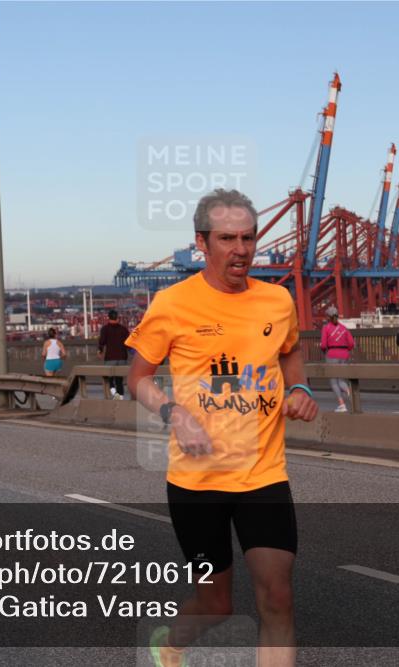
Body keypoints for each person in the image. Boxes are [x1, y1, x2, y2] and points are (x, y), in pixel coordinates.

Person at [127, 189, 318, 667]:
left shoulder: (277, 300)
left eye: (248, 238)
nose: (241, 249)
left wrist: (300, 390)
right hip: (197, 482)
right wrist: (175, 413)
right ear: (202, 243)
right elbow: (138, 379)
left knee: (277, 597)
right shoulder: (172, 304)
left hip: (263, 474)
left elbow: (292, 351)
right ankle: (170, 644)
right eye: (227, 238)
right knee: (218, 604)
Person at [319, 305, 354, 413]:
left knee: (334, 381)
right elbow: (351, 343)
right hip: (344, 355)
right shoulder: (344, 328)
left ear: (328, 317)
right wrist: (345, 350)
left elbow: (323, 345)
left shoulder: (326, 328)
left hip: (332, 354)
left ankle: (342, 404)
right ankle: (351, 395)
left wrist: (324, 350)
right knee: (341, 380)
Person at [98, 310, 130, 399]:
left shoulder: (105, 329)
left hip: (110, 358)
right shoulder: (123, 329)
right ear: (117, 317)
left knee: (109, 378)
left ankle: (114, 393)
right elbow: (129, 343)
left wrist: (100, 351)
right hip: (122, 357)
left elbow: (102, 342)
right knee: (119, 380)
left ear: (109, 317)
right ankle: (121, 396)